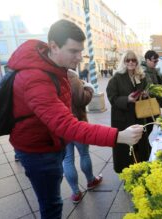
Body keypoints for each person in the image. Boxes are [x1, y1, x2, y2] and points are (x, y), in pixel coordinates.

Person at [8, 19, 143, 219]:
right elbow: (66, 124)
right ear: (53, 46)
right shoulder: (35, 78)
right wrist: (119, 136)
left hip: (52, 142)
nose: (80, 57)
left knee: (54, 195)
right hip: (38, 151)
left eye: (81, 51)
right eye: (73, 51)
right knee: (51, 205)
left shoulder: (54, 67)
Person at [106, 50, 152, 173]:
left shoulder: (141, 76)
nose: (131, 62)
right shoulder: (116, 78)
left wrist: (145, 94)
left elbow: (145, 92)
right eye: (128, 60)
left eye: (133, 60)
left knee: (140, 143)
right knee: (126, 147)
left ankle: (141, 168)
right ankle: (127, 172)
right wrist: (127, 99)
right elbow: (112, 97)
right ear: (124, 62)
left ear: (137, 62)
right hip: (123, 118)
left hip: (138, 115)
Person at [63, 69, 102, 204]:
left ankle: (75, 192)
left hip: (61, 126)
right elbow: (81, 99)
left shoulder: (48, 75)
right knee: (84, 154)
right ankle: (91, 181)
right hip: (78, 123)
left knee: (67, 159)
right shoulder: (71, 75)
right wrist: (89, 89)